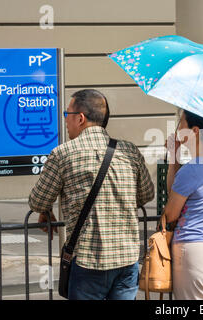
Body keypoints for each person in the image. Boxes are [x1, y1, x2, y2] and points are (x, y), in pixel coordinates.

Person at [28, 89, 155, 300]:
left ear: (80, 118)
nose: (65, 120)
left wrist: (46, 210)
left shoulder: (63, 154)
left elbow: (38, 200)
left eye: (66, 114)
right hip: (127, 259)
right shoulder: (129, 151)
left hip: (89, 261)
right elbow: (146, 194)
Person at [163, 110, 203, 300]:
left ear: (195, 131)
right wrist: (174, 159)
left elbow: (171, 214)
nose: (177, 129)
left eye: (181, 123)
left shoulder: (191, 169)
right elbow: (176, 189)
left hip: (191, 253)